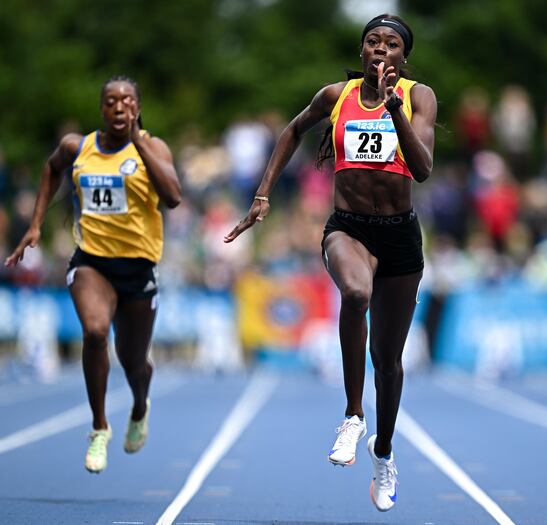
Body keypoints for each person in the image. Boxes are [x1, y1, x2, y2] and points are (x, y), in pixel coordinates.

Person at [224, 14, 436, 512]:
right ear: (361, 52)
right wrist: (262, 193)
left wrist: (393, 110)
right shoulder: (334, 97)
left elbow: (423, 168)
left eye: (390, 45)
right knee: (356, 293)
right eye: (372, 42)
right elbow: (292, 131)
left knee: (389, 361)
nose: (380, 50)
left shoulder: (417, 96)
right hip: (348, 227)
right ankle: (353, 415)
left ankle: (383, 453)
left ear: (403, 57)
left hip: (400, 235)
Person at [5, 76, 182, 473]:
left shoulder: (153, 147)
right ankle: (99, 427)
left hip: (138, 268)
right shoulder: (78, 147)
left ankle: (139, 406)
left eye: (127, 101)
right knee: (95, 331)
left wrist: (138, 142)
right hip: (92, 262)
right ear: (101, 108)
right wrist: (36, 224)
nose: (119, 107)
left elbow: (172, 197)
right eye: (111, 101)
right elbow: (51, 169)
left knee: (135, 362)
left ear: (137, 107)